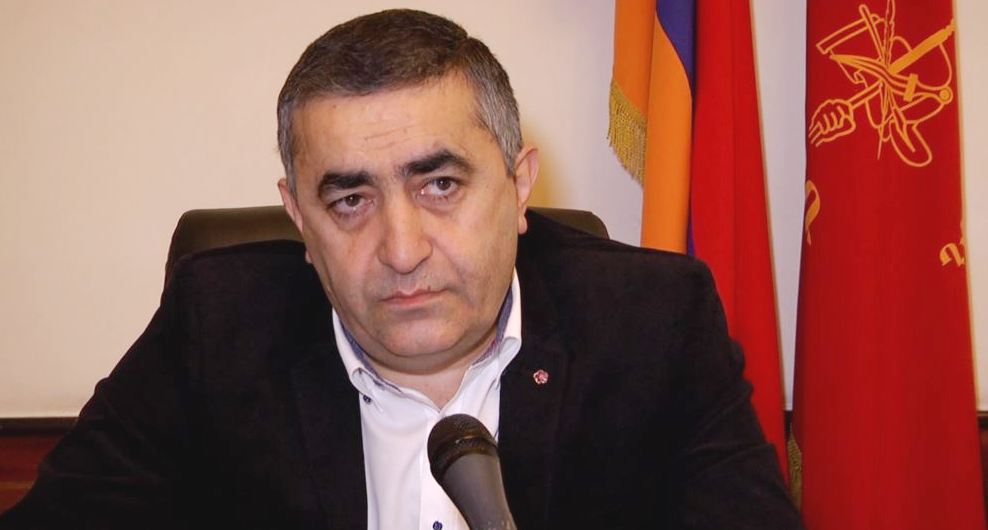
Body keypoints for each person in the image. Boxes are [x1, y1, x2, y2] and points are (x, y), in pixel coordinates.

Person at [0, 9, 802, 530]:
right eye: (350, 200)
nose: (402, 248)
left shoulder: (652, 324)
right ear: (298, 218)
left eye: (440, 185)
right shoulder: (218, 328)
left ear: (519, 185)